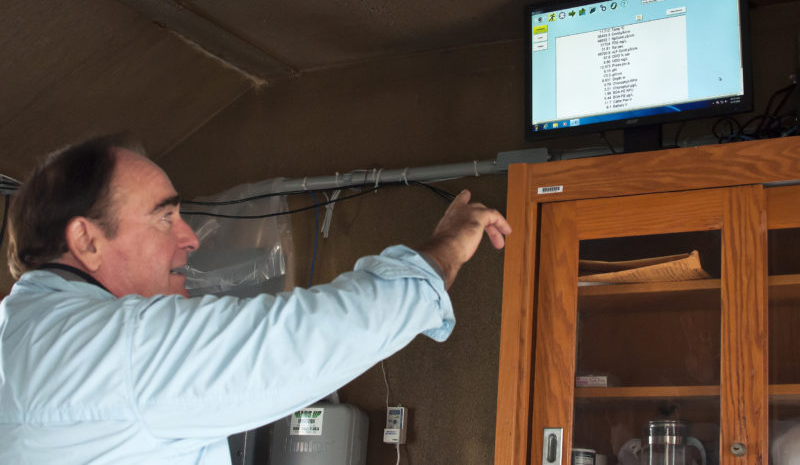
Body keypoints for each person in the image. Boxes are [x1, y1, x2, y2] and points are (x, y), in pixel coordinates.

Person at [0, 134, 511, 463]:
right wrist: (442, 255)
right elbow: (304, 338)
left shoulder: (25, 339)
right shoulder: (112, 349)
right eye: (164, 217)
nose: (191, 238)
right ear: (87, 241)